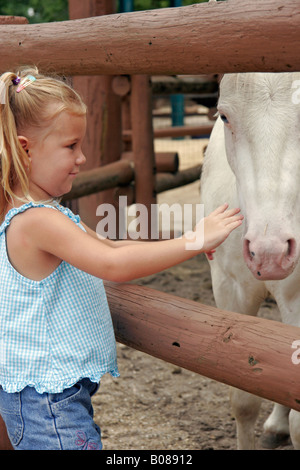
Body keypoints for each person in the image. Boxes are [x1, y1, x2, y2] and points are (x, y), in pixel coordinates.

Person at [0, 67, 243, 451]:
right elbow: (113, 266)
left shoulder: (32, 212)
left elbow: (113, 247)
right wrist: (195, 240)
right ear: (26, 148)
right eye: (70, 146)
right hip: (48, 405)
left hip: (44, 397)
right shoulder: (37, 221)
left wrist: (186, 240)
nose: (82, 158)